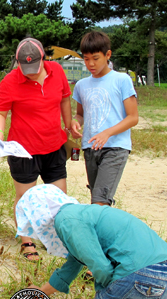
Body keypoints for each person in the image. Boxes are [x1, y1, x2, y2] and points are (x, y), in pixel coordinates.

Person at [16, 184, 167, 299]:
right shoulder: (85, 214)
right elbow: (71, 268)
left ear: (37, 213)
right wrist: (42, 292)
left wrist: (106, 297)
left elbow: (101, 267)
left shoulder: (67, 219)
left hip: (140, 275)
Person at [0, 37, 72, 260]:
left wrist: (68, 125)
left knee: (59, 197)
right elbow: (0, 112)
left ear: (43, 60)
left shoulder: (57, 71)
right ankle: (27, 241)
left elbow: (65, 99)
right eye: (24, 68)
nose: (29, 72)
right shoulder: (10, 81)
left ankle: (57, 237)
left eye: (34, 68)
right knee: (25, 197)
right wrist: (0, 133)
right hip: (23, 150)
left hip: (54, 145)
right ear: (17, 62)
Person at [70, 31, 139, 206]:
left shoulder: (121, 80)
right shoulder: (81, 85)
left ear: (108, 55)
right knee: (97, 198)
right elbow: (80, 115)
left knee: (100, 201)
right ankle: (105, 232)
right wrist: (75, 122)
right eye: (86, 59)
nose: (91, 64)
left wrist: (107, 133)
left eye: (95, 58)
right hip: (90, 148)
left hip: (115, 147)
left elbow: (133, 117)